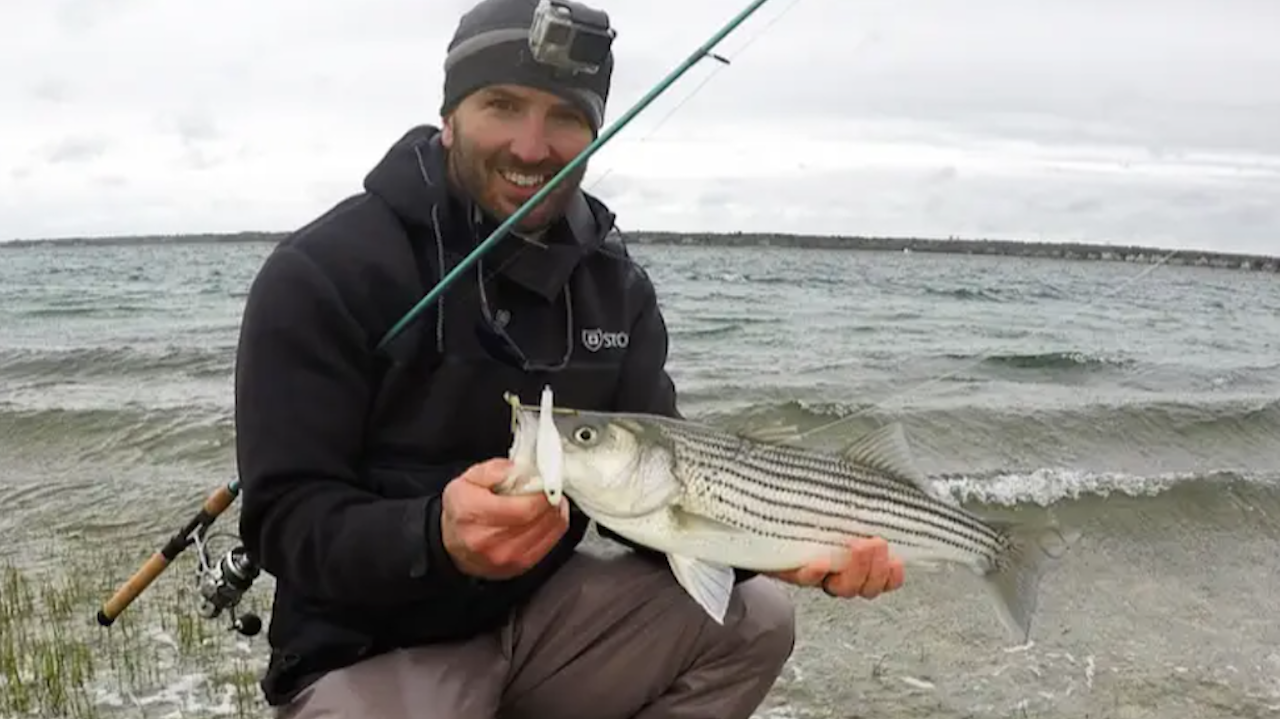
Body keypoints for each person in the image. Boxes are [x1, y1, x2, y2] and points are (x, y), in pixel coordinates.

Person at [232, 0, 906, 717]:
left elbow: (648, 496)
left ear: (594, 130)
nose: (532, 146)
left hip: (544, 623)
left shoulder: (614, 285)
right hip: (374, 649)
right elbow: (285, 520)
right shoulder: (323, 269)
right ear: (450, 112)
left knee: (757, 617)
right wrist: (435, 536)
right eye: (502, 104)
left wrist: (783, 537)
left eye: (565, 117)